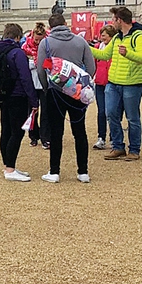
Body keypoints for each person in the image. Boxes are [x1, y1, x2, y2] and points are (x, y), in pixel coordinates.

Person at [37, 13, 96, 183]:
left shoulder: (46, 42)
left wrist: (47, 87)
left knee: (56, 132)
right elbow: (91, 67)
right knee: (80, 131)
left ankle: (54, 171)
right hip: (77, 91)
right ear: (65, 24)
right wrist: (81, 84)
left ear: (50, 27)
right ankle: (83, 171)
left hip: (56, 92)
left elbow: (42, 69)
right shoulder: (80, 41)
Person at [91, 6, 142, 161]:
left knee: (132, 118)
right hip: (113, 83)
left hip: (132, 83)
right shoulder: (117, 37)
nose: (112, 22)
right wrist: (86, 48)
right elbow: (104, 55)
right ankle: (118, 146)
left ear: (120, 20)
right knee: (111, 114)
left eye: (113, 19)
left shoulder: (139, 36)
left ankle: (134, 149)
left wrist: (128, 53)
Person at [0, 23, 38, 182]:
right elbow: (25, 77)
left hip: (3, 95)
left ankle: (8, 165)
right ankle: (10, 169)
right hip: (17, 95)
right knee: (17, 132)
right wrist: (34, 100)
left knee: (6, 130)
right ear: (18, 37)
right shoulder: (17, 52)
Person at [91, 24, 117, 149]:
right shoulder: (97, 47)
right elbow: (94, 65)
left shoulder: (115, 49)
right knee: (101, 111)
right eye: (101, 35)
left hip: (112, 82)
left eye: (104, 36)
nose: (102, 38)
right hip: (100, 83)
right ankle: (101, 137)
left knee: (111, 112)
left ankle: (114, 138)